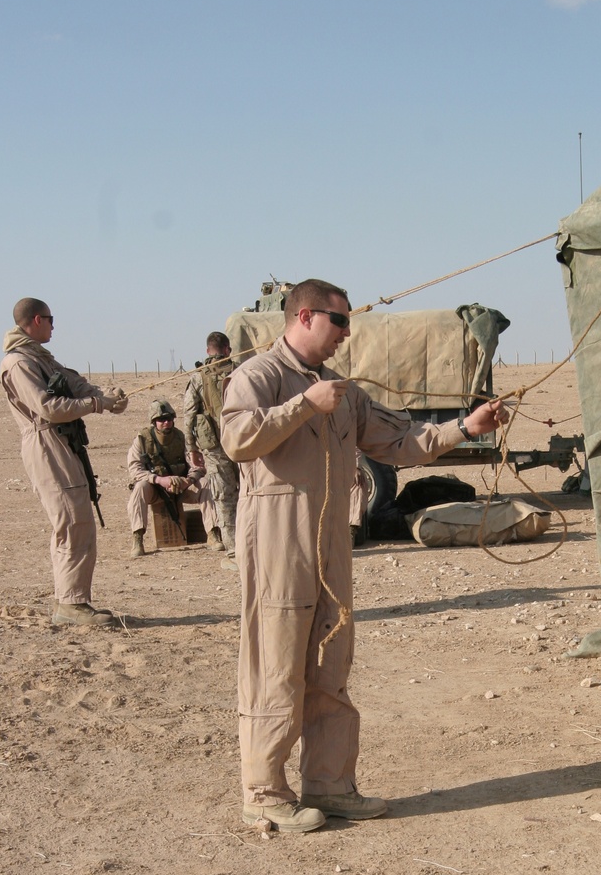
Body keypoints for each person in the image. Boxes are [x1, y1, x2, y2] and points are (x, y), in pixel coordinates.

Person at [220, 277, 507, 834]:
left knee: (330, 664)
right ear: (305, 317)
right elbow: (237, 440)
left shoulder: (344, 391)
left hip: (332, 547)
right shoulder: (259, 376)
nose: (347, 334)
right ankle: (263, 790)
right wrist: (303, 405)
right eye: (340, 321)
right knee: (275, 665)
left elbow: (400, 441)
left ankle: (328, 785)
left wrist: (465, 427)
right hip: (279, 545)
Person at [0, 298, 128, 627]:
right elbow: (49, 407)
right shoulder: (19, 362)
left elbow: (72, 383)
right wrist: (96, 404)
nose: (55, 326)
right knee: (72, 521)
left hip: (62, 442)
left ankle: (69, 600)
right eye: (51, 320)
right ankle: (71, 604)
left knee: (75, 518)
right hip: (46, 442)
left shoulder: (41, 357)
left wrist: (107, 397)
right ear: (37, 319)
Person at [127, 401, 221, 555]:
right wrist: (159, 480)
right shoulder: (142, 440)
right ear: (153, 422)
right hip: (156, 489)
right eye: (161, 420)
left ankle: (213, 534)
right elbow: (135, 470)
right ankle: (137, 539)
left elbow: (197, 465)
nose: (166, 423)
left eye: (169, 419)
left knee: (205, 484)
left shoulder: (181, 438)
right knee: (139, 488)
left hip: (181, 488)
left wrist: (188, 481)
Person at [182, 331, 240, 556]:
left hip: (214, 445)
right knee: (247, 490)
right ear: (228, 349)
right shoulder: (240, 371)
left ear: (208, 351)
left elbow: (188, 414)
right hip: (243, 440)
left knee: (223, 495)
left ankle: (233, 547)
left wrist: (192, 448)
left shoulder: (198, 377)